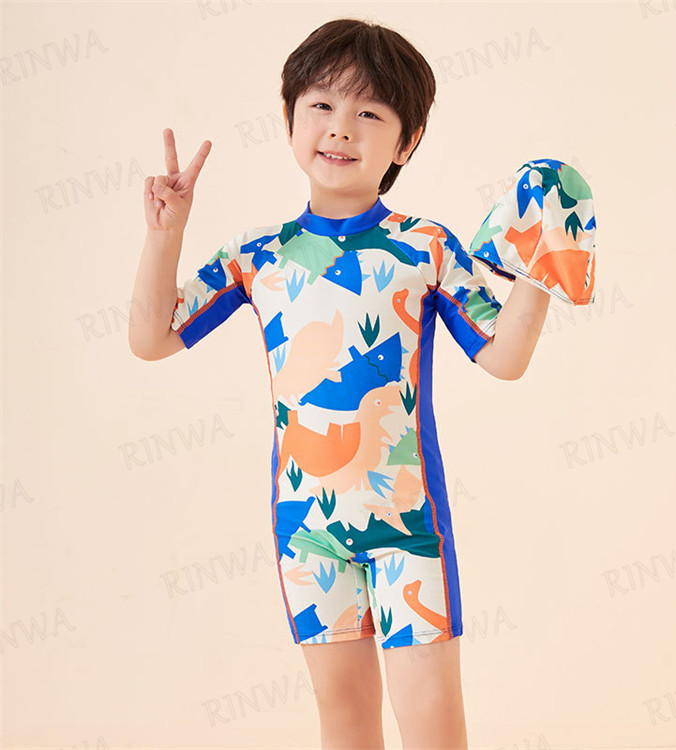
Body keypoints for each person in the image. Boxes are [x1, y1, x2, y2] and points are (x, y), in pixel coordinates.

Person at [129, 17, 552, 750]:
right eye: (322, 104)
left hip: (409, 529)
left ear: (406, 143)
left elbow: (503, 358)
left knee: (432, 725)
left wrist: (542, 269)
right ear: (289, 118)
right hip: (307, 531)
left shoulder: (424, 246)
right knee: (345, 722)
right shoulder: (259, 256)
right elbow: (152, 337)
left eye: (370, 113)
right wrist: (166, 233)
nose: (341, 127)